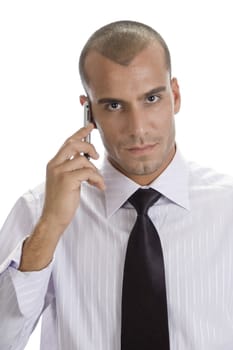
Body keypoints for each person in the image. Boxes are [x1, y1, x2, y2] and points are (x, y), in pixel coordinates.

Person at [1, 19, 233, 350]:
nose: (137, 128)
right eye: (114, 105)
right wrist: (49, 229)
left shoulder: (228, 208)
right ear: (89, 112)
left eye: (151, 98)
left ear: (175, 95)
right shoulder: (41, 211)